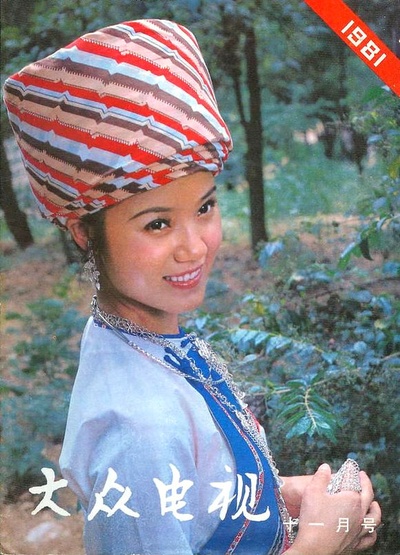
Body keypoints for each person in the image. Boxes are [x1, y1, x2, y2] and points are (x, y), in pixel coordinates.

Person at [3, 19, 381, 555]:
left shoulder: (136, 338)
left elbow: (191, 503)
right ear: (84, 231)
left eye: (205, 207)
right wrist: (321, 544)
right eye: (157, 223)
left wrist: (281, 499)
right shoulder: (138, 430)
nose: (195, 247)